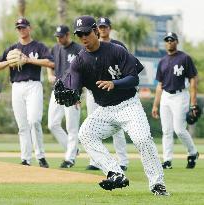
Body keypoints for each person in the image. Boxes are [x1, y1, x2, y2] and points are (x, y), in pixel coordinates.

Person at [59, 15, 169, 196]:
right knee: (85, 134)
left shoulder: (116, 50)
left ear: (95, 31)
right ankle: (115, 173)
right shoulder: (79, 60)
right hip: (105, 111)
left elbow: (134, 78)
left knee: (143, 140)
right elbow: (73, 82)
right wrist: (74, 93)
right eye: (79, 34)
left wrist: (114, 83)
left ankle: (157, 184)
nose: (83, 37)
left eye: (86, 32)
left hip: (129, 106)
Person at [0, 17, 54, 168]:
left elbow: (51, 62)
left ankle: (40, 156)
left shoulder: (38, 46)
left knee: (34, 121)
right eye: (19, 28)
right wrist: (9, 61)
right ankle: (25, 159)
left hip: (33, 85)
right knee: (22, 126)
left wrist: (28, 60)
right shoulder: (12, 49)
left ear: (30, 28)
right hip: (17, 87)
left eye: (23, 27)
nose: (21, 30)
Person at [85, 17, 129, 171]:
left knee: (117, 127)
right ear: (96, 29)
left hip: (113, 91)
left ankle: (122, 161)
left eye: (105, 26)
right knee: (91, 126)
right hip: (93, 91)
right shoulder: (89, 45)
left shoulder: (118, 46)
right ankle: (95, 160)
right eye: (100, 27)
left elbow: (127, 68)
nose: (102, 29)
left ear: (110, 28)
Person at [152, 32, 199, 169]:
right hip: (166, 96)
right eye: (167, 40)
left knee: (179, 130)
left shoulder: (185, 58)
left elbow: (193, 79)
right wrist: (155, 105)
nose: (169, 42)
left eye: (172, 40)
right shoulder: (162, 61)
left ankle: (192, 152)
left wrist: (193, 103)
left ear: (177, 42)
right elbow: (159, 85)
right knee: (166, 130)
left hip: (180, 95)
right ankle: (167, 161)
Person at [47, 25, 82, 168]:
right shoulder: (55, 49)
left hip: (72, 90)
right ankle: (73, 149)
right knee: (52, 124)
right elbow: (50, 63)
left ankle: (70, 158)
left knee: (71, 127)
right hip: (57, 90)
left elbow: (83, 72)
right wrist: (49, 74)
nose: (59, 38)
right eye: (57, 36)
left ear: (68, 35)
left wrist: (78, 94)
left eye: (61, 36)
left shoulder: (79, 49)